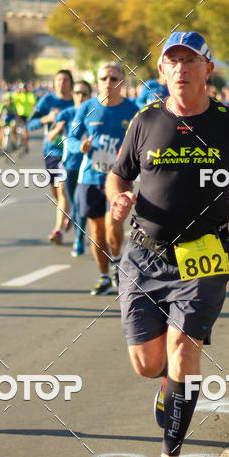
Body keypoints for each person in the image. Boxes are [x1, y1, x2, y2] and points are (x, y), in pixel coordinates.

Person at [106, 31, 229, 457]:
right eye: (171, 61)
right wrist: (117, 198)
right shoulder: (145, 122)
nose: (180, 68)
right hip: (142, 254)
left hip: (203, 254)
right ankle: (168, 388)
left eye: (189, 60)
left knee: (185, 351)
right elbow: (120, 173)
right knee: (148, 364)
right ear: (162, 71)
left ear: (208, 68)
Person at [72, 62, 139, 295]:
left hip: (119, 178)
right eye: (103, 79)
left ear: (121, 82)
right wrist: (80, 145)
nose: (108, 83)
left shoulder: (132, 109)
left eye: (113, 79)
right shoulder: (88, 107)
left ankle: (118, 261)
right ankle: (103, 276)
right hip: (90, 176)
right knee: (97, 230)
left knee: (113, 224)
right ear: (97, 82)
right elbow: (70, 138)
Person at [28, 69, 74, 243]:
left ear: (71, 82)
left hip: (70, 153)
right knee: (57, 192)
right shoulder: (47, 101)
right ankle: (68, 213)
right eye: (58, 80)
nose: (62, 83)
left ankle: (58, 230)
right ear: (54, 83)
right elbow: (30, 124)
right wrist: (46, 119)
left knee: (63, 190)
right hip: (51, 152)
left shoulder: (76, 101)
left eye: (65, 80)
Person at [47, 79, 92, 257]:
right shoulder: (66, 113)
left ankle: (78, 239)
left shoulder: (94, 112)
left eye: (84, 93)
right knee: (74, 203)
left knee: (82, 204)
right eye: (77, 93)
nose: (80, 96)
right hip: (70, 164)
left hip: (89, 165)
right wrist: (57, 130)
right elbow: (50, 137)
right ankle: (78, 234)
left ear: (90, 95)